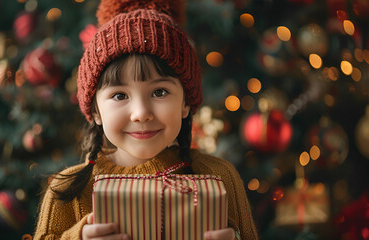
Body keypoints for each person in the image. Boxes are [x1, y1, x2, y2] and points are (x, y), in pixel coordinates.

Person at [33, 0, 259, 239]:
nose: (141, 113)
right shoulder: (67, 189)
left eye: (159, 92)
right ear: (96, 111)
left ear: (185, 103)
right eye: (119, 95)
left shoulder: (220, 177)